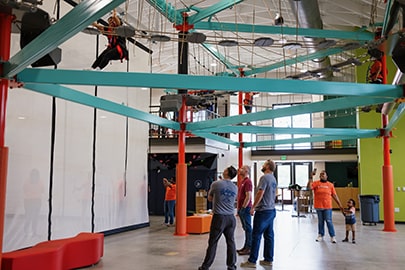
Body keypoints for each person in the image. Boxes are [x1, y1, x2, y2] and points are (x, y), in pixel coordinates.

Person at [199, 166, 238, 270]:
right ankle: (231, 266)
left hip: (219, 217)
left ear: (226, 172)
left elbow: (210, 198)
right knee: (231, 242)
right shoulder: (235, 187)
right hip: (231, 217)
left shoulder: (216, 184)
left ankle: (205, 266)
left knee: (213, 242)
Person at [241, 159, 277, 268]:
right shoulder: (273, 178)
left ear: (268, 167)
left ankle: (252, 261)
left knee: (256, 236)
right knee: (269, 236)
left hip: (263, 212)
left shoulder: (264, 178)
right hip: (271, 210)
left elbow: (260, 193)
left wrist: (253, 207)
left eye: (264, 164)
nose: (263, 165)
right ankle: (268, 259)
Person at [311, 170, 344, 243]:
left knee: (329, 221)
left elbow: (334, 195)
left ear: (327, 176)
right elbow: (309, 187)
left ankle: (332, 236)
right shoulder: (316, 183)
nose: (323, 176)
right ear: (320, 176)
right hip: (319, 206)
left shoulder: (330, 185)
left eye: (324, 174)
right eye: (321, 175)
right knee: (320, 221)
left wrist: (340, 205)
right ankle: (320, 235)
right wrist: (311, 176)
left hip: (327, 206)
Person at [236, 165, 253, 256]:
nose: (239, 169)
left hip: (245, 209)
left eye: (242, 168)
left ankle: (249, 248)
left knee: (248, 228)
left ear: (246, 171)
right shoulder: (242, 182)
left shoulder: (248, 182)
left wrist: (243, 208)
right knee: (246, 228)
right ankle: (246, 246)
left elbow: (248, 196)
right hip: (242, 208)